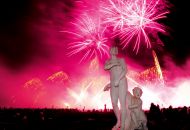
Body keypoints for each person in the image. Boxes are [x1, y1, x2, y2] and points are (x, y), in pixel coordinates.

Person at [104, 46, 128, 130]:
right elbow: (106, 68)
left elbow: (125, 70)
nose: (114, 49)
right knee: (114, 103)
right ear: (110, 51)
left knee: (122, 104)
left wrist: (118, 79)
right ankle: (119, 121)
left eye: (115, 49)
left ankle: (123, 124)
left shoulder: (121, 60)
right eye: (112, 49)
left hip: (122, 81)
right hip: (113, 83)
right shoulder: (108, 61)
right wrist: (110, 84)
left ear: (117, 51)